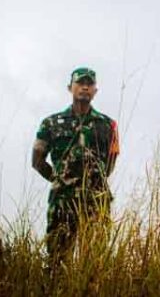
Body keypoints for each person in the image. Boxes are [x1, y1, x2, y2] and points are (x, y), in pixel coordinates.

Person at [32, 67, 119, 258]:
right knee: (57, 259)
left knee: (96, 260)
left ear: (95, 90)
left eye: (90, 84)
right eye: (80, 83)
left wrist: (93, 181)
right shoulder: (51, 123)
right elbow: (37, 161)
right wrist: (59, 179)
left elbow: (110, 162)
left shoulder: (107, 125)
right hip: (62, 201)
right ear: (70, 87)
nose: (85, 88)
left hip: (96, 201)